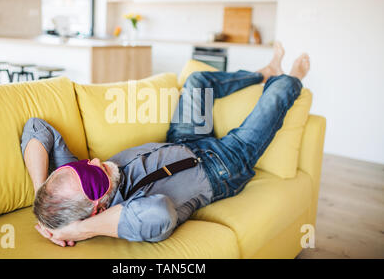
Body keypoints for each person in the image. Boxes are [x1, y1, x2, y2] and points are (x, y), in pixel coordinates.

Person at [20, 42, 310, 247]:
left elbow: (36, 127)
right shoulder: (131, 215)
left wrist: (39, 194)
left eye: (81, 167)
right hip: (223, 165)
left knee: (198, 79)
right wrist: (81, 230)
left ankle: (264, 71)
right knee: (279, 92)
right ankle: (289, 78)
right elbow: (160, 215)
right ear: (96, 210)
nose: (94, 163)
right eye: (92, 177)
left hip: (185, 140)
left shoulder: (74, 184)